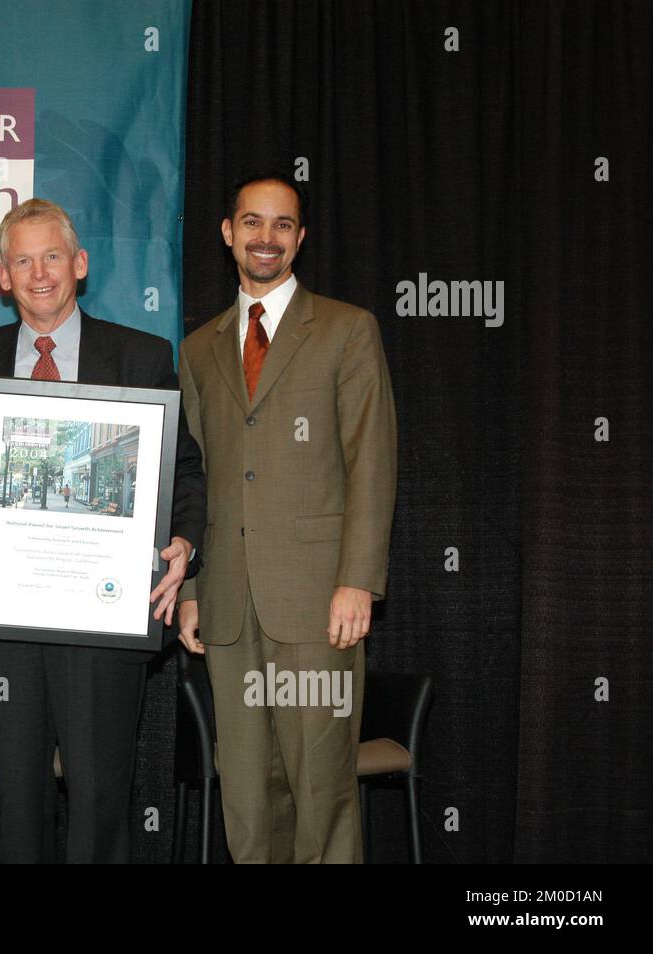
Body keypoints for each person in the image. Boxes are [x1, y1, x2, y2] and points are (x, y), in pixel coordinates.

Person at [0, 199, 206, 862]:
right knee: (18, 799)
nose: (40, 272)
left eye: (53, 256)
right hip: (4, 620)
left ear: (80, 264)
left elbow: (184, 469)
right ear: (2, 275)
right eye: (23, 260)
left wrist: (182, 544)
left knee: (98, 797)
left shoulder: (142, 356)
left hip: (103, 611)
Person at [176, 173, 398, 863]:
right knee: (245, 795)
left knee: (322, 791)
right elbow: (195, 474)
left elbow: (373, 460)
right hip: (227, 608)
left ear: (299, 239)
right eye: (251, 222)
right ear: (228, 233)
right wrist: (188, 592)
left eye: (280, 225)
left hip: (317, 603)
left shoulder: (346, 328)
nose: (264, 238)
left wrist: (358, 581)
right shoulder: (198, 348)